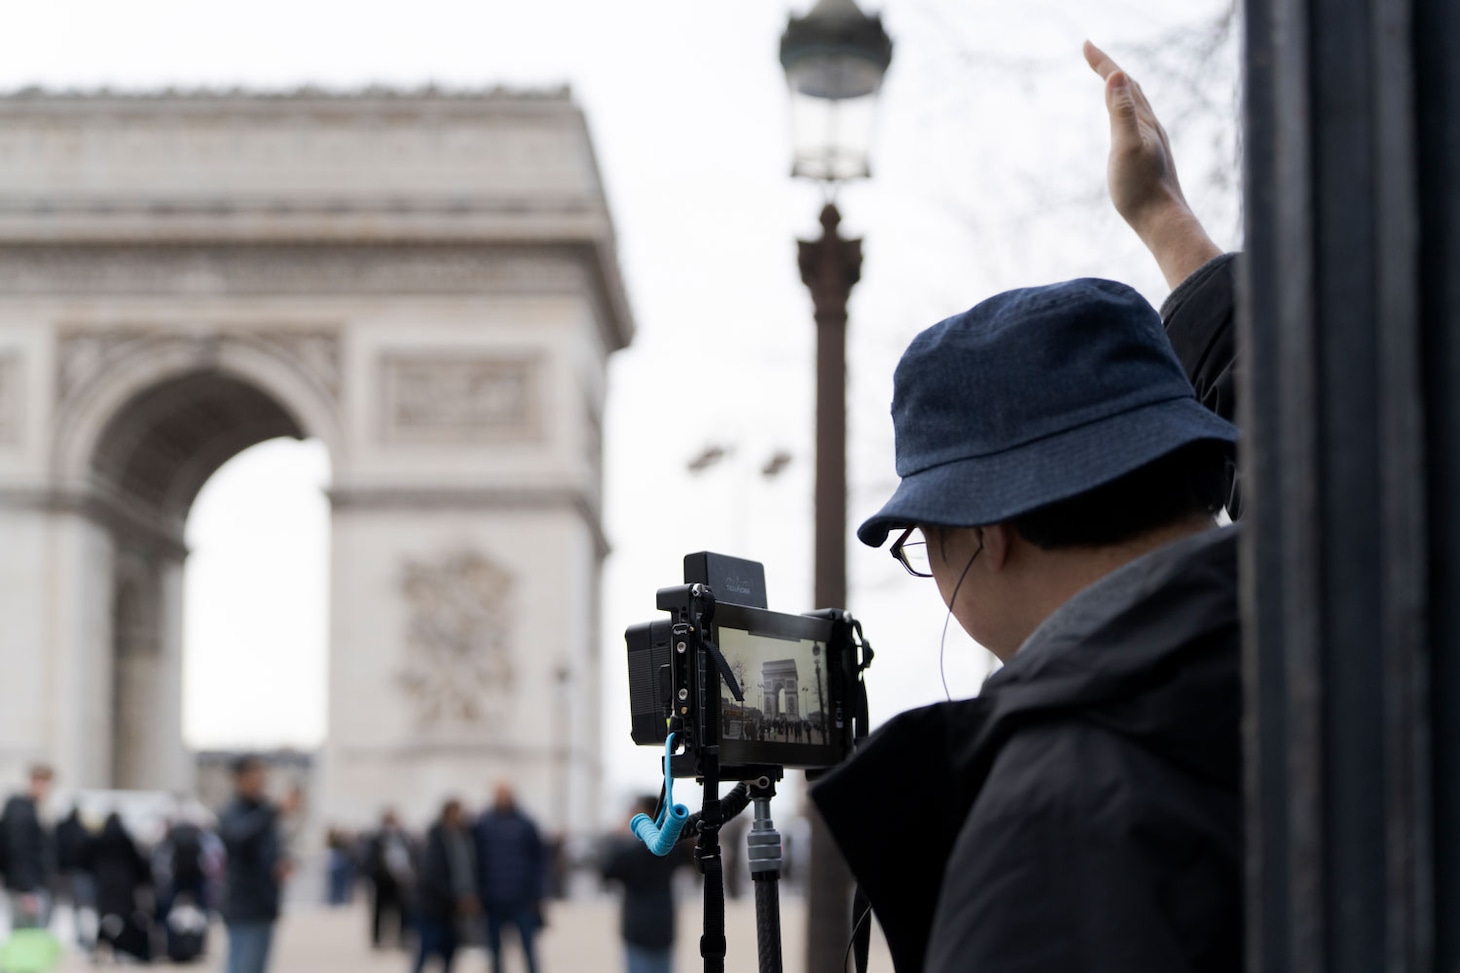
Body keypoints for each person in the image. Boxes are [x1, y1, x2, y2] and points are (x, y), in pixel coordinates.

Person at [808, 44, 1244, 973]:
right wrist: (1166, 222)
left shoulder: (1058, 808)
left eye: (923, 548)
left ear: (985, 532)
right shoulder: (1337, 622)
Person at [218, 756, 298, 973]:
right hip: (244, 905)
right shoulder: (234, 811)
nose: (261, 780)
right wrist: (273, 812)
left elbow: (270, 850)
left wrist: (282, 864)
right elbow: (238, 839)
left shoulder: (263, 811)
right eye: (255, 775)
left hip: (265, 902)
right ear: (240, 778)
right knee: (241, 965)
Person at [600, 797, 691, 973]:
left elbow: (607, 871)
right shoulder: (673, 847)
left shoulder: (630, 852)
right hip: (663, 923)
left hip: (638, 926)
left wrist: (618, 837)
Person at [473, 783, 546, 973]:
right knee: (494, 950)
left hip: (521, 898)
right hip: (492, 898)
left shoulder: (525, 823)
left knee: (528, 947)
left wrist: (536, 894)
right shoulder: (483, 823)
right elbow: (476, 862)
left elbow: (539, 861)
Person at [412, 799, 479, 973]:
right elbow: (433, 875)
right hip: (435, 906)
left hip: (453, 908)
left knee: (450, 951)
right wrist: (455, 897)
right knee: (426, 949)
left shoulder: (464, 837)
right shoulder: (436, 839)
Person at [79, 812, 153, 962]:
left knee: (104, 917)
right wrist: (143, 880)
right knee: (124, 917)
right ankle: (122, 947)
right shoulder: (126, 840)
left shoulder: (99, 840)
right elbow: (139, 863)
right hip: (124, 884)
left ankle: (102, 947)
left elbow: (84, 859)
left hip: (103, 883)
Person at [0, 764, 55, 930]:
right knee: (27, 935)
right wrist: (26, 890)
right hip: (26, 887)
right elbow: (18, 851)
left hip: (27, 884)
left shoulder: (27, 809)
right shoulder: (22, 812)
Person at [361, 810, 415, 949]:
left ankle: (401, 939)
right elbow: (370, 860)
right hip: (382, 881)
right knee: (380, 912)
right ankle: (377, 940)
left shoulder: (403, 837)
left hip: (400, 882)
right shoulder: (377, 838)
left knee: (402, 912)